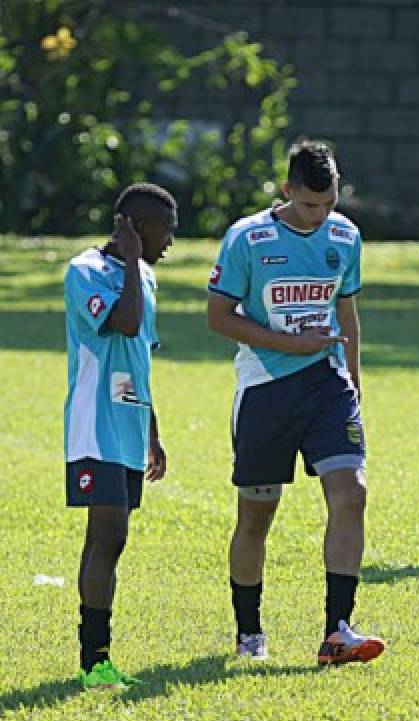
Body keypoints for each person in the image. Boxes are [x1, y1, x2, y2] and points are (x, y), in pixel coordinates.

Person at [207, 140, 383, 666]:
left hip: (327, 387)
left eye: (328, 203)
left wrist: (353, 378)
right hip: (265, 391)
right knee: (257, 517)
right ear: (286, 192)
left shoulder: (345, 235)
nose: (320, 215)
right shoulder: (248, 238)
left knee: (351, 492)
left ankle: (337, 630)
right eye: (309, 205)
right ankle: (249, 632)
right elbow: (218, 318)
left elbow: (346, 312)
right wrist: (291, 344)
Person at [65, 183, 177, 690]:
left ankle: (96, 660)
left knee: (112, 540)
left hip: (128, 429)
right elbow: (125, 324)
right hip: (94, 429)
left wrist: (152, 433)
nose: (170, 243)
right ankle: (94, 662)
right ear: (133, 227)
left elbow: (142, 357)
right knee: (106, 539)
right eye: (164, 232)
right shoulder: (84, 271)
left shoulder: (145, 276)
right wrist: (132, 261)